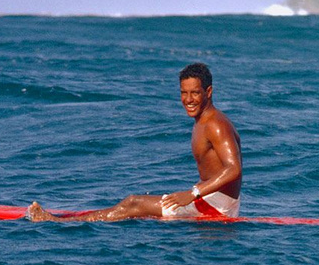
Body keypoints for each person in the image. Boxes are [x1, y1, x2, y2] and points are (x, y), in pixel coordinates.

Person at [27, 63, 242, 222]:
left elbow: (233, 169)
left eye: (195, 93)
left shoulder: (215, 124)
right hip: (212, 202)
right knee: (142, 212)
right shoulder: (203, 121)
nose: (188, 99)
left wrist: (192, 193)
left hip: (215, 206)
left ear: (209, 92)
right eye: (183, 93)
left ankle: (55, 221)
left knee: (133, 203)